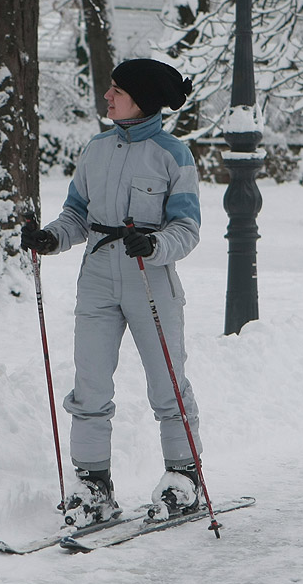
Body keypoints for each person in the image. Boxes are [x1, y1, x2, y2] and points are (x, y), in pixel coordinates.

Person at [21, 58, 203, 528]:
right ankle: (93, 486)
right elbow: (76, 214)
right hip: (99, 275)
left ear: (140, 98)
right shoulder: (95, 150)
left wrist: (157, 243)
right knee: (91, 384)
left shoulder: (173, 155)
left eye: (116, 90)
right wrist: (51, 238)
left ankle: (185, 477)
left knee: (166, 382)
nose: (107, 95)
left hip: (150, 277)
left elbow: (187, 228)